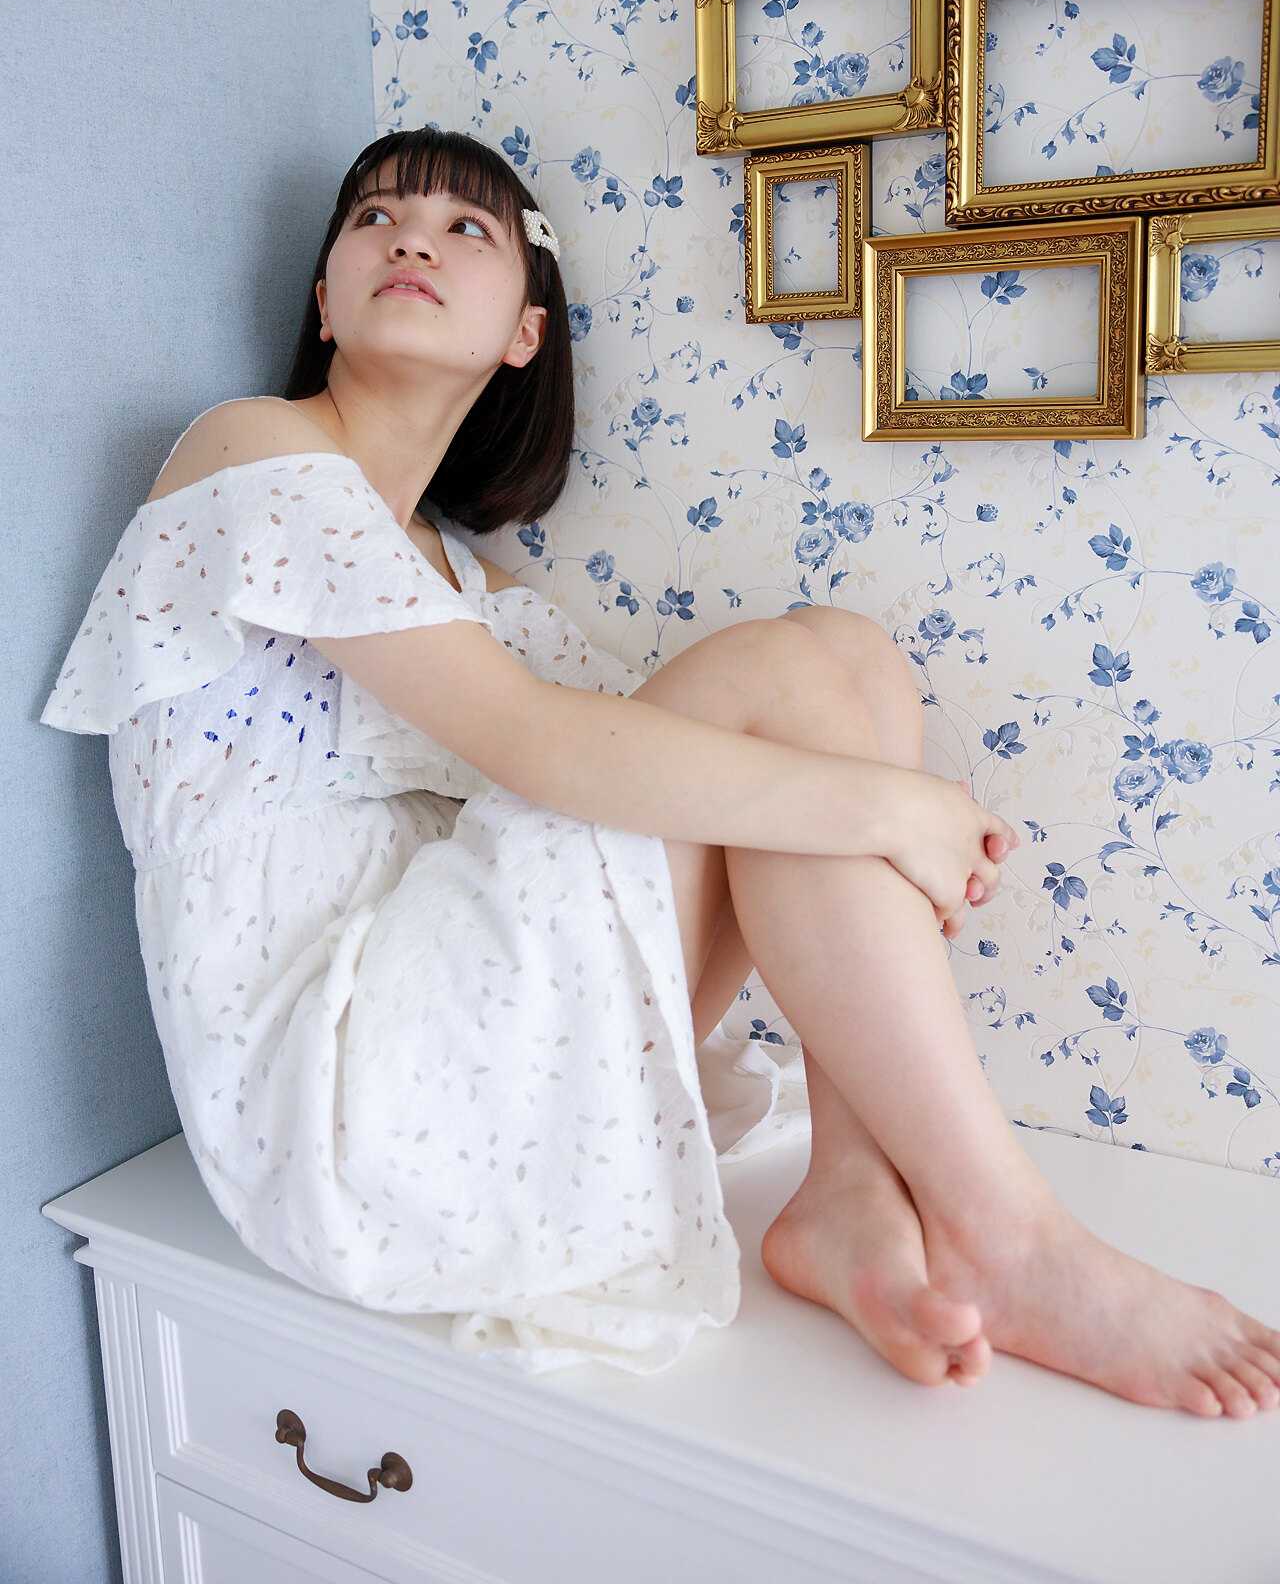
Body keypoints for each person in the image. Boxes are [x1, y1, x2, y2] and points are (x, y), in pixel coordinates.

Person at [41, 126, 1280, 1415]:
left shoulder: (473, 583)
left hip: (473, 1042)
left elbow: (639, 766)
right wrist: (897, 810)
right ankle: (1009, 1234)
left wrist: (874, 793)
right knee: (784, 681)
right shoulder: (250, 450)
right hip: (339, 1106)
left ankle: (853, 1190)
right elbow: (538, 744)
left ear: (525, 332)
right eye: (375, 217)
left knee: (847, 658)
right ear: (324, 300)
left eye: (466, 228)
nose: (411, 238)